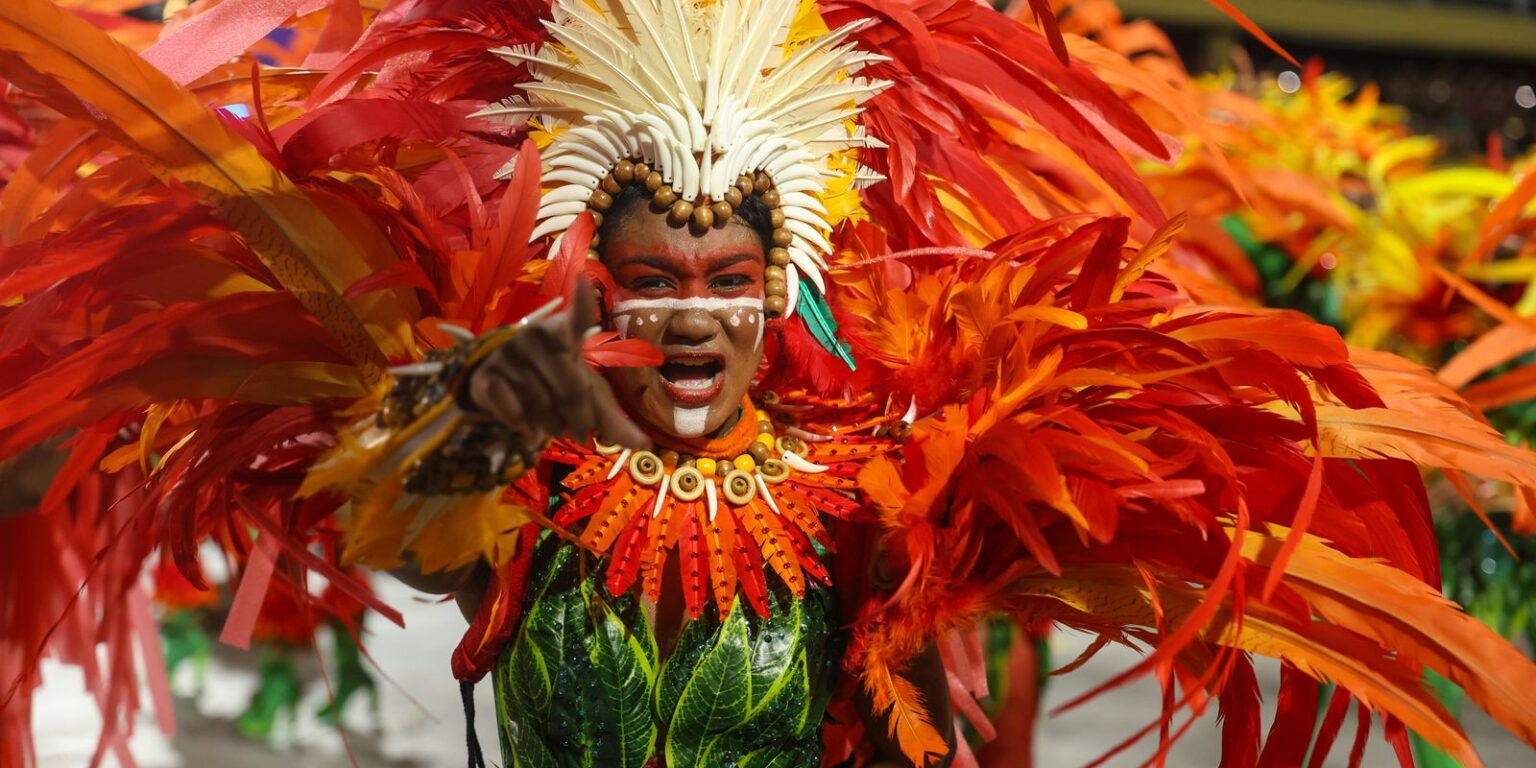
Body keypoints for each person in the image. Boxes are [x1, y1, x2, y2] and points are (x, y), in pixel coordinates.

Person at [5, 1, 1536, 767]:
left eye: (726, 283)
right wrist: (496, 396)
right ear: (595, 279)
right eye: (652, 281)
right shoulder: (533, 461)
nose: (689, 320)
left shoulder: (872, 472)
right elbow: (390, 530)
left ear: (781, 287)